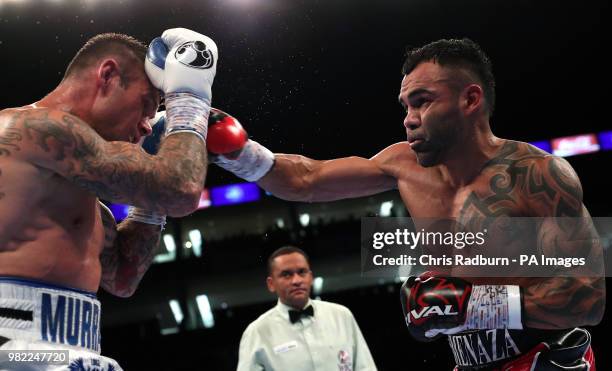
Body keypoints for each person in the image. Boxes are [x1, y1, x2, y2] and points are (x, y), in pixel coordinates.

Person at [208, 38, 605, 370]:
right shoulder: (404, 165)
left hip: (546, 360)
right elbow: (305, 179)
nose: (409, 119)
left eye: (422, 102)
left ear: (470, 99)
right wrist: (236, 151)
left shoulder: (538, 175)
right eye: (406, 106)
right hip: (468, 362)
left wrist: (472, 306)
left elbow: (587, 298)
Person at [0, 27, 217, 370]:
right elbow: (181, 190)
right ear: (108, 75)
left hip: (68, 350)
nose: (148, 126)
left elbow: (123, 278)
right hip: (17, 353)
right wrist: (189, 100)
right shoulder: (34, 129)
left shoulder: (84, 199)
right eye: (147, 106)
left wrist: (151, 191)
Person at [237, 246, 377, 371]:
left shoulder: (341, 316)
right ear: (271, 283)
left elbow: (366, 367)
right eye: (286, 274)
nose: (296, 280)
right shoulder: (257, 332)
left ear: (310, 277)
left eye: (302, 272)